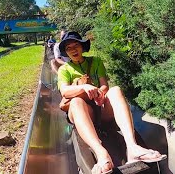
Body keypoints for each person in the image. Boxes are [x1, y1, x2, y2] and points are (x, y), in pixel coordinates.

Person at [57, 31, 167, 174]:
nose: (73, 50)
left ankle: (132, 147)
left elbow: (104, 85)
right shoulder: (64, 69)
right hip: (83, 112)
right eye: (68, 48)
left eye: (76, 45)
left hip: (99, 108)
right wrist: (83, 87)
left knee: (115, 90)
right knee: (77, 102)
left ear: (82, 47)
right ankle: (101, 154)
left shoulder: (95, 61)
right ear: (66, 52)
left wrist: (101, 93)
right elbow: (64, 91)